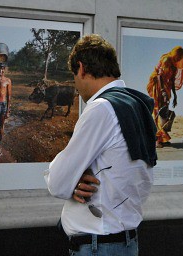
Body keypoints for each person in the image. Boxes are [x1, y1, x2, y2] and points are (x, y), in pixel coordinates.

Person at [44, 34, 157, 256]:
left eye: (74, 76)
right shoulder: (138, 105)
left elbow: (57, 182)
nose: (76, 86)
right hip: (124, 241)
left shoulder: (101, 109)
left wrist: (68, 177)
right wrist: (74, 181)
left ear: (81, 67)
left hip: (99, 246)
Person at [146, 46, 183, 148]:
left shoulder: (173, 65)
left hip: (166, 88)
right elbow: (159, 76)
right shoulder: (166, 59)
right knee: (157, 111)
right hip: (158, 86)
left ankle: (162, 139)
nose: (178, 59)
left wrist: (175, 95)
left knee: (164, 113)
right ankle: (156, 140)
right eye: (178, 57)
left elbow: (171, 81)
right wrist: (162, 91)